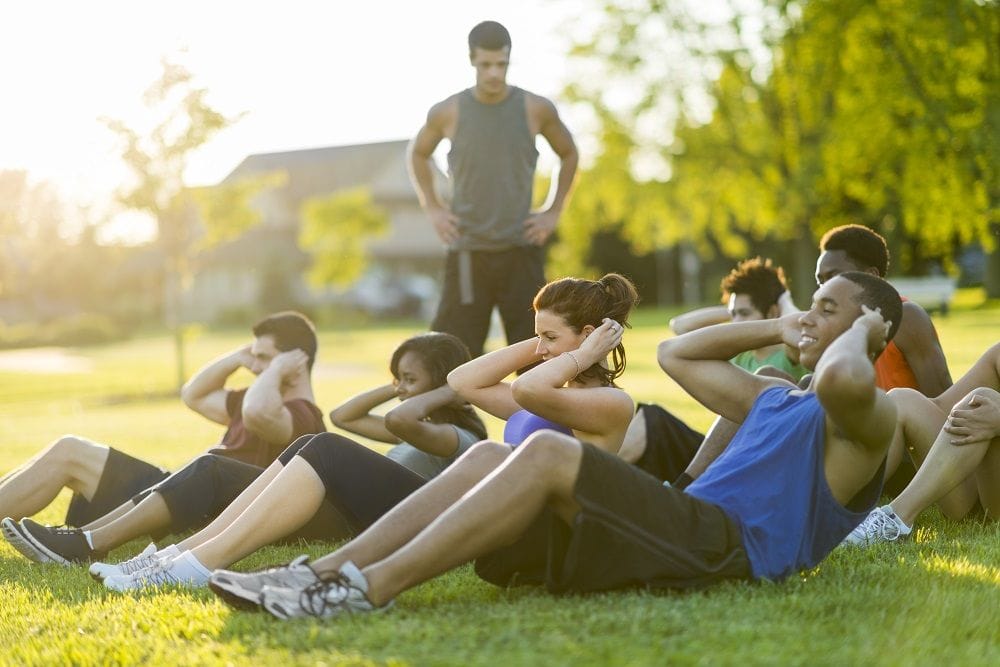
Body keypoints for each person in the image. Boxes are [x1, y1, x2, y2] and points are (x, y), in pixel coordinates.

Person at [238, 272, 901, 620]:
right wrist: (786, 322)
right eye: (810, 304)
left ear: (870, 333)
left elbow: (844, 376)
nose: (810, 316)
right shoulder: (772, 398)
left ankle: (365, 589)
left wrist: (864, 332)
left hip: (731, 548)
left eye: (826, 308)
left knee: (549, 453)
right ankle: (321, 573)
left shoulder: (863, 421)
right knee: (489, 454)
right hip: (685, 525)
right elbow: (678, 351)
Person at [204, 273, 640, 610]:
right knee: (490, 453)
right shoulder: (553, 396)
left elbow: (528, 391)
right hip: (506, 523)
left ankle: (351, 585)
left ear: (589, 335)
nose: (540, 350)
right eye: (537, 337)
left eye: (549, 338)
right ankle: (321, 572)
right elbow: (463, 380)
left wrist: (579, 354)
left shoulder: (610, 404)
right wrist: (547, 341)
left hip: (555, 539)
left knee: (491, 453)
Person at [83, 332, 487, 591]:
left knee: (326, 447)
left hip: (411, 518)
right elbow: (345, 415)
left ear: (444, 383)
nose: (399, 391)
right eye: (397, 379)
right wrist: (401, 384)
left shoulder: (458, 437)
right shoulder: (415, 426)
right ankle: (177, 557)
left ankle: (196, 565)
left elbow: (398, 418)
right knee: (310, 442)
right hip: (373, 512)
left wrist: (452, 390)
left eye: (409, 381)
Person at [1, 311, 325, 565]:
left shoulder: (302, 415)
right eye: (254, 358)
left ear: (295, 361)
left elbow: (258, 414)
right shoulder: (252, 397)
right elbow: (193, 394)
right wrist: (239, 357)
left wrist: (275, 371)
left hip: (201, 505)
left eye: (264, 358)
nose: (255, 367)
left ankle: (83, 542)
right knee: (70, 448)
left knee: (70, 452)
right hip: (177, 488)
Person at [408, 20, 579, 358]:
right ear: (472, 60)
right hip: (468, 252)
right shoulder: (448, 111)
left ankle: (534, 413)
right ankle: (450, 413)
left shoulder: (535, 108)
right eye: (486, 65)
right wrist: (433, 207)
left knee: (536, 354)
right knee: (450, 354)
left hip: (520, 249)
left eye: (501, 64)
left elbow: (569, 152)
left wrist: (553, 211)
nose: (493, 74)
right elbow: (417, 152)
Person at [621, 257, 806, 484]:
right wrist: (734, 311)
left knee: (763, 380)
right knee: (653, 421)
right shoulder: (740, 353)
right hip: (720, 456)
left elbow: (798, 326)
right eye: (734, 313)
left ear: (774, 311)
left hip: (757, 460)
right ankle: (597, 484)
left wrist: (783, 300)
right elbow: (680, 326)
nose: (736, 321)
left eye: (745, 313)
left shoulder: (790, 355)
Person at [815, 224, 952, 494]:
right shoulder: (831, 325)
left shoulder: (906, 317)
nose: (825, 289)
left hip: (907, 454)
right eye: (820, 281)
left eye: (834, 277)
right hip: (858, 444)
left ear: (871, 276)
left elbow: (942, 400)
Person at [841, 341, 999, 546]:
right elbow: (941, 406)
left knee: (983, 402)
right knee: (903, 400)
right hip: (975, 493)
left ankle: (895, 520)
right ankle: (838, 504)